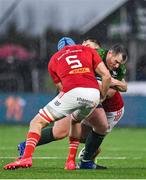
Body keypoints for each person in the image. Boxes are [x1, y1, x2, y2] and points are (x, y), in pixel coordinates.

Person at [17, 39, 128, 170]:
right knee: (62, 131)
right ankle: (78, 160)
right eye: (85, 45)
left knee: (89, 133)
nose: (116, 65)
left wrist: (108, 84)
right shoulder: (88, 54)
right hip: (84, 94)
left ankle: (81, 159)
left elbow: (119, 88)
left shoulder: (111, 64)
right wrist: (102, 86)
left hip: (100, 102)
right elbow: (62, 85)